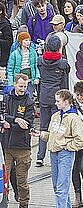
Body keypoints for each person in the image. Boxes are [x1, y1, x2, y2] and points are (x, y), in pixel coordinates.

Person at [40, 89, 83, 208]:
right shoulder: (55, 116)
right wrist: (41, 134)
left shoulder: (74, 118)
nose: (56, 103)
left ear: (66, 101)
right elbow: (51, 134)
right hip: (53, 153)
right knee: (57, 186)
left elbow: (80, 139)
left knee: (61, 188)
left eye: (58, 101)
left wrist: (67, 147)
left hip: (65, 154)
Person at [2, 74, 35, 208]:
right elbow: (2, 116)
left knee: (22, 182)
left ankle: (23, 204)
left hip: (22, 147)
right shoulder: (6, 99)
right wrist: (15, 119)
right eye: (20, 86)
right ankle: (4, 202)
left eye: (25, 86)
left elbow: (27, 124)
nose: (22, 89)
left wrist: (9, 123)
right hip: (6, 147)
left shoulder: (29, 102)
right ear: (14, 84)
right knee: (4, 179)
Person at [36, 34, 70, 167]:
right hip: (58, 98)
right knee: (57, 127)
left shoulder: (40, 61)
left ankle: (40, 156)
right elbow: (64, 84)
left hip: (44, 96)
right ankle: (54, 155)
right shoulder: (62, 63)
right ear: (60, 48)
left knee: (43, 126)